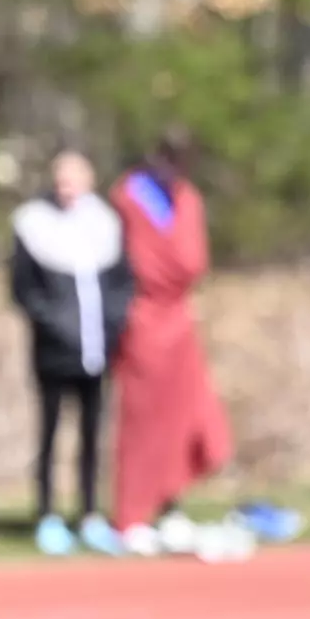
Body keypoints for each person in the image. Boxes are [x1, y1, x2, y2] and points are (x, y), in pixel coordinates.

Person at [105, 126, 232, 556]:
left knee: (183, 417)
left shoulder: (187, 199)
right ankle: (131, 513)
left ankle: (170, 504)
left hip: (179, 322)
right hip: (143, 319)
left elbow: (192, 260)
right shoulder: (129, 197)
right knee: (143, 420)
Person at [8, 149, 132, 556]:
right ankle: (46, 513)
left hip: (97, 351)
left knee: (92, 436)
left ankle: (91, 513)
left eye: (74, 180)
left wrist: (111, 328)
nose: (67, 189)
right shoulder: (33, 224)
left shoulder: (106, 224)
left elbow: (121, 286)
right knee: (50, 432)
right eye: (61, 180)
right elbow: (23, 289)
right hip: (54, 350)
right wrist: (56, 326)